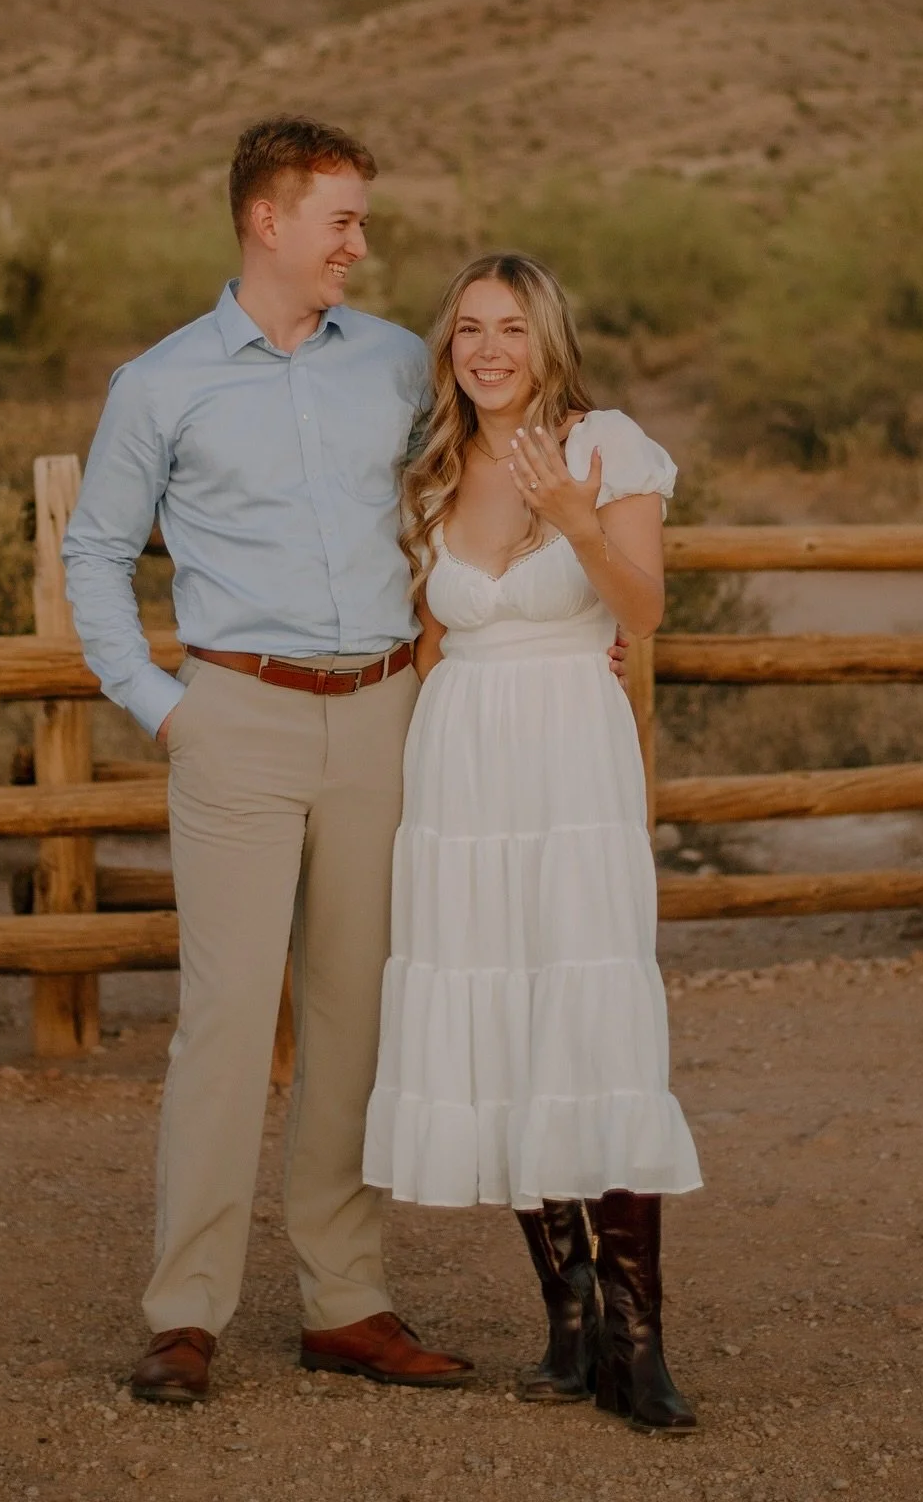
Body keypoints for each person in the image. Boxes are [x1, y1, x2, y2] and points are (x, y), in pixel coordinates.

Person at [62, 115, 473, 1403]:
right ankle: (185, 1313)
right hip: (233, 717)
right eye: (343, 219)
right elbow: (93, 554)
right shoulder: (162, 383)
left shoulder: (401, 364)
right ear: (269, 221)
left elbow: (459, 500)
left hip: (381, 715)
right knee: (228, 1022)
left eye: (361, 219)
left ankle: (346, 1302)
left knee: (355, 1018)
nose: (361, 242)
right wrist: (161, 703)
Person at [362, 252, 702, 1435]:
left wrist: (571, 519)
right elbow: (420, 646)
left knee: (589, 1017)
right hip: (461, 767)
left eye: (511, 327)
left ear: (547, 338)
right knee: (502, 1021)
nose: (488, 349)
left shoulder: (608, 446)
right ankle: (567, 1316)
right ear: (446, 346)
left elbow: (645, 610)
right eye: (468, 329)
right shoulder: (430, 471)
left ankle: (639, 1343)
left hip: (571, 754)